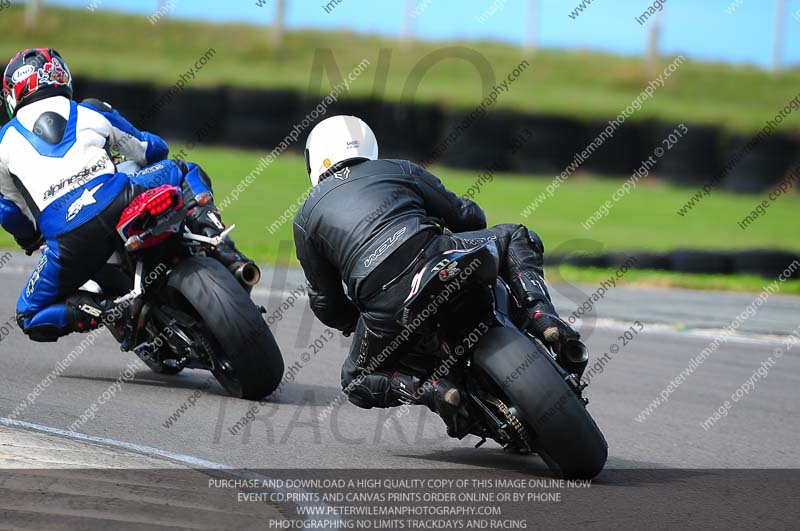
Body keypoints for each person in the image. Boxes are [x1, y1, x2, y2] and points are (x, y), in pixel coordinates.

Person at [293, 115, 582, 431]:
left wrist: (360, 322)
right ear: (368, 145)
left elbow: (325, 302)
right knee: (514, 234)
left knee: (356, 380)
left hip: (385, 304)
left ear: (314, 161)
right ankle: (542, 315)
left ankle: (431, 390)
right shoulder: (398, 168)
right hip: (437, 256)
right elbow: (468, 215)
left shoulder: (305, 217)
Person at [0, 48, 253, 342]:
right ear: (62, 78)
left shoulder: (3, 143)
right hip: (119, 197)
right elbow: (153, 150)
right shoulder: (91, 110)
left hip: (68, 240)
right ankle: (223, 247)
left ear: (12, 95)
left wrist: (31, 239)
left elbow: (10, 213)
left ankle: (109, 310)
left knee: (28, 315)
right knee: (183, 169)